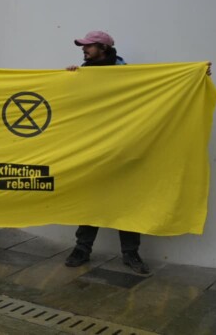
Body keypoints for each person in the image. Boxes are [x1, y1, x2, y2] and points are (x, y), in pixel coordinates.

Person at [62, 30, 150, 275]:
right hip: (92, 150)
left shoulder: (127, 75)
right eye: (83, 47)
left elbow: (152, 94)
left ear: (103, 47)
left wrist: (194, 76)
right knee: (91, 200)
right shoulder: (82, 73)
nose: (84, 50)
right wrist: (67, 81)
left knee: (127, 204)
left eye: (89, 46)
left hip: (123, 149)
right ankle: (82, 249)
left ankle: (131, 253)